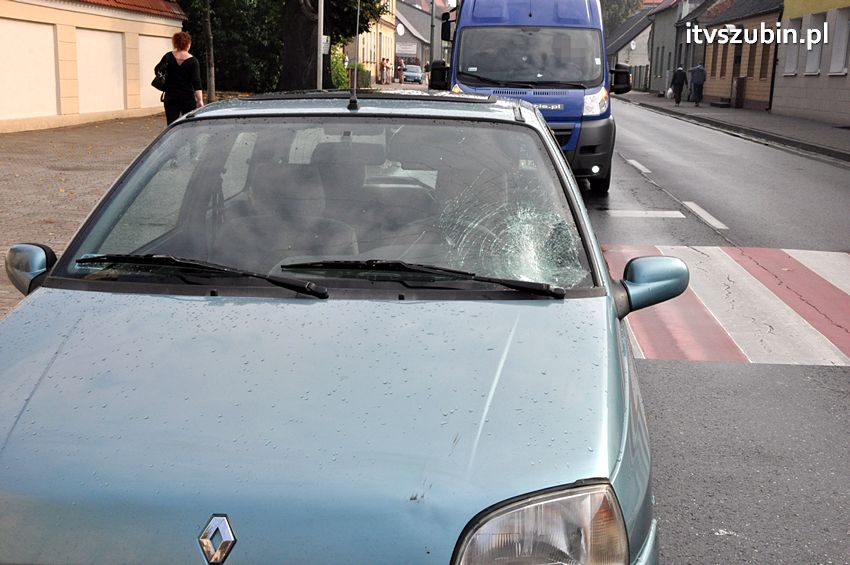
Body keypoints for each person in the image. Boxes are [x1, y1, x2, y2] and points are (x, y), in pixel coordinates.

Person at [159, 31, 204, 125]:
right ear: (188, 44)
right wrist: (200, 100)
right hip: (187, 98)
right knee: (188, 124)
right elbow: (197, 82)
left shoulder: (168, 56)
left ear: (175, 43)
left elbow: (157, 70)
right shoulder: (193, 61)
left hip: (170, 97)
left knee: (171, 124)